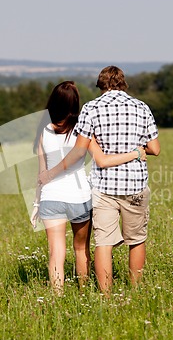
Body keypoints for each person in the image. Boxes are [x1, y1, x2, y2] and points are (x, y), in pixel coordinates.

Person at [39, 67, 160, 294]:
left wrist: (50, 174)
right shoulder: (142, 107)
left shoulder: (91, 108)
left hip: (104, 187)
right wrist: (137, 151)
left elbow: (81, 150)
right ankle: (136, 292)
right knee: (137, 240)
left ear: (100, 85)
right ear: (123, 83)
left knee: (103, 243)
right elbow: (155, 148)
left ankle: (105, 296)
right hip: (135, 184)